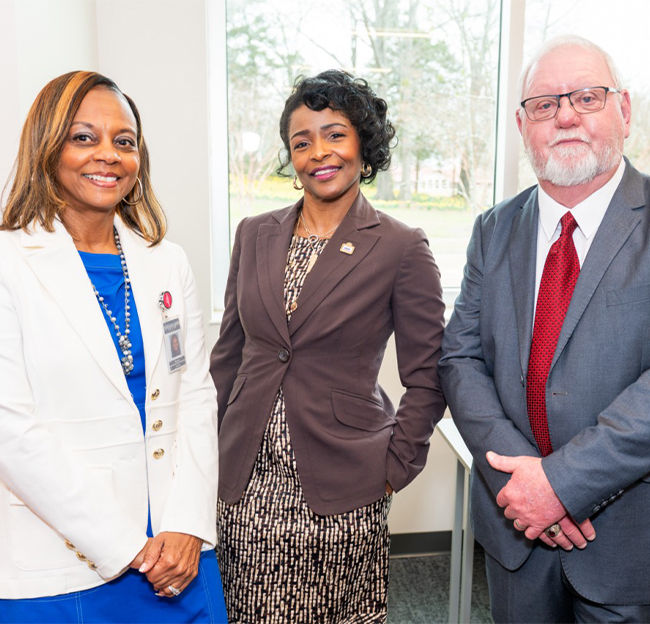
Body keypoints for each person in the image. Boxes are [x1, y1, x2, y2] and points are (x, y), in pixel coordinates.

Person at [210, 69, 446, 622]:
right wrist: (205, 452)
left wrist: (394, 467)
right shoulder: (253, 232)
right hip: (244, 483)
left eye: (335, 134)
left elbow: (429, 373)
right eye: (302, 140)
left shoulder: (400, 247)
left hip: (343, 484)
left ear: (364, 144)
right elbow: (229, 352)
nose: (319, 151)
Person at [0, 71, 227, 623]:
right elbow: (12, 430)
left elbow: (196, 393)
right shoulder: (9, 263)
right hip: (62, 560)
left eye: (124, 142)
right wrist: (127, 545)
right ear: (47, 148)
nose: (108, 155)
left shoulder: (165, 259)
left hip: (181, 552)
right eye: (84, 138)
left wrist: (186, 524)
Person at [439, 35, 650, 622]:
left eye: (587, 96)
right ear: (521, 123)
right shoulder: (494, 229)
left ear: (624, 110)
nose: (565, 117)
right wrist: (527, 487)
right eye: (544, 104)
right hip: (516, 535)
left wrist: (561, 485)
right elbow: (459, 359)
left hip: (629, 543)